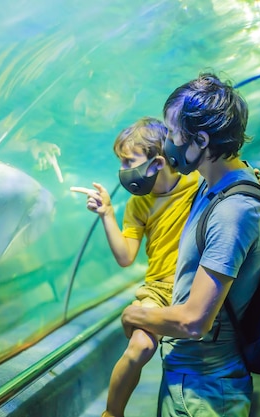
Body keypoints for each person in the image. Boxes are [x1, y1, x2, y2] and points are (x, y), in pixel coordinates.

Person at [120, 73, 260, 416]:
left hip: (204, 393)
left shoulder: (232, 211)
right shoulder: (210, 185)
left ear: (201, 141)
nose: (168, 144)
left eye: (173, 134)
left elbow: (194, 321)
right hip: (188, 378)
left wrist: (136, 313)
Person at [71, 116, 200, 417]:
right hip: (158, 288)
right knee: (140, 348)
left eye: (129, 161)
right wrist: (107, 215)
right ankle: (111, 414)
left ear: (157, 161)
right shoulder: (137, 205)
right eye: (122, 163)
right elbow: (126, 256)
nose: (124, 171)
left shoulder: (196, 182)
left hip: (196, 285)